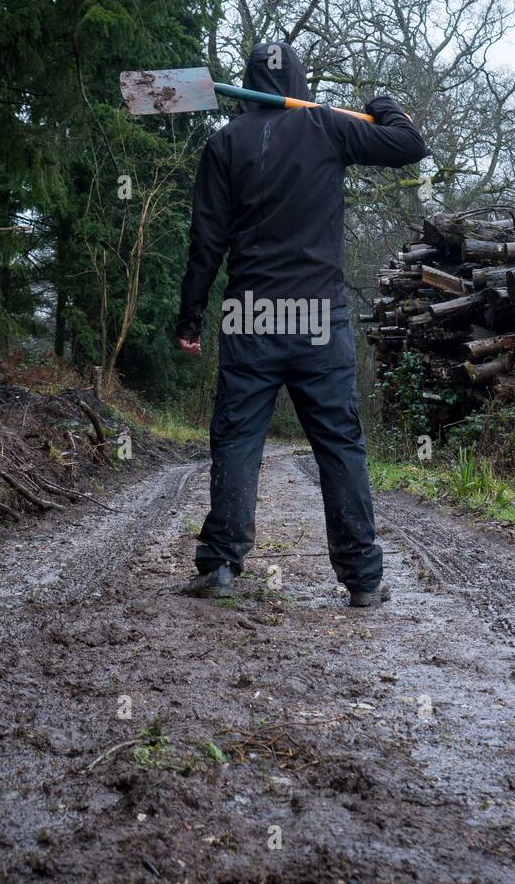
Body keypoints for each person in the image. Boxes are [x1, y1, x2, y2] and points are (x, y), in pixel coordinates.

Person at [176, 40, 428, 609]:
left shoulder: (225, 143)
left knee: (238, 440)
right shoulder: (328, 126)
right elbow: (410, 144)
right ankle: (363, 579)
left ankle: (219, 566)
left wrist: (190, 315)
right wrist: (383, 102)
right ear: (300, 84)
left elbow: (206, 241)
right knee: (339, 445)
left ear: (246, 85)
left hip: (249, 317)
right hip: (319, 316)